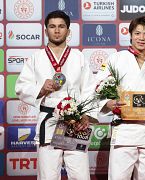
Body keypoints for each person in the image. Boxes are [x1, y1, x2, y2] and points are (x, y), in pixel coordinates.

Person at [15, 10, 95, 180]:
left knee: (80, 175)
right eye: (52, 26)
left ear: (68, 31)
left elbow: (88, 88)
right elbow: (21, 87)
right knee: (48, 175)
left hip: (76, 123)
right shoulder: (36, 58)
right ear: (45, 31)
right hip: (49, 120)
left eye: (61, 26)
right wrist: (41, 89)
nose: (57, 30)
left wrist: (86, 115)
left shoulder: (78, 57)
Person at [95, 16, 145, 180]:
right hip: (124, 129)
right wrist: (109, 103)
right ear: (130, 35)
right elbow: (99, 89)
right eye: (137, 33)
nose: (141, 38)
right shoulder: (116, 58)